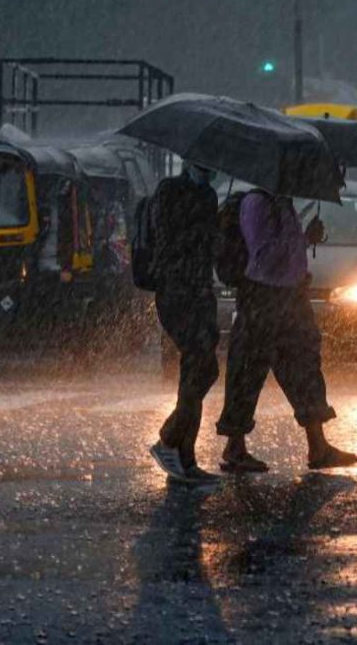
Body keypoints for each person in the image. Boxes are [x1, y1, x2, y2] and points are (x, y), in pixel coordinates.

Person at [216, 191, 357, 473]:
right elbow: (263, 255)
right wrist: (293, 239)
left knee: (304, 366)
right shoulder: (256, 204)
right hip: (264, 297)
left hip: (292, 296)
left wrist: (306, 238)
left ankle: (318, 445)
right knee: (248, 370)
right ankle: (235, 447)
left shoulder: (284, 204)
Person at [148, 163, 222, 484]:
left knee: (202, 370)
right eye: (204, 164)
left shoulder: (208, 195)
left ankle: (182, 452)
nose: (209, 170)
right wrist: (204, 228)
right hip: (177, 291)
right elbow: (169, 240)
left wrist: (217, 235)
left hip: (201, 290)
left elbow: (208, 250)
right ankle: (171, 442)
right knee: (199, 366)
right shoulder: (169, 190)